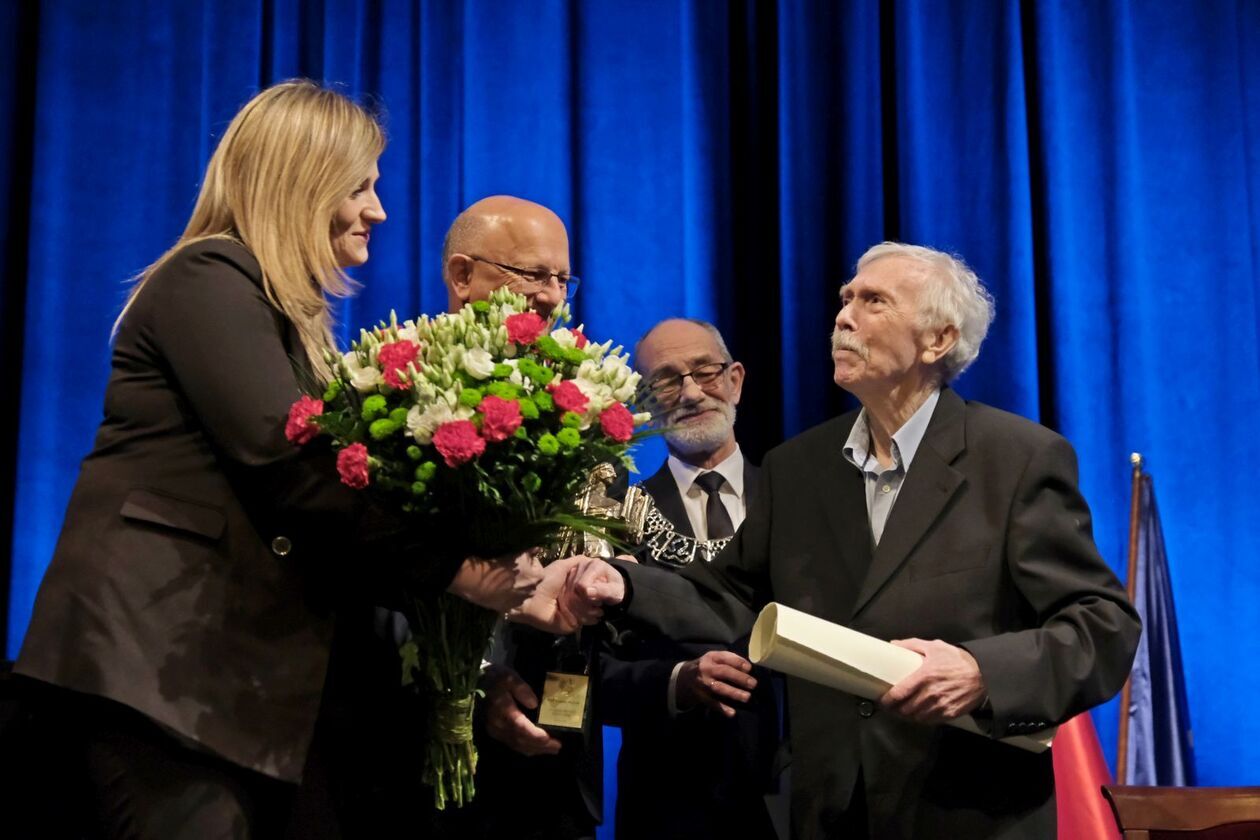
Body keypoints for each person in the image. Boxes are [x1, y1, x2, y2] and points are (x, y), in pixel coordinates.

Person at [12, 82, 565, 838]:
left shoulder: (288, 321)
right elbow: (287, 468)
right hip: (161, 670)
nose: (378, 210)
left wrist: (492, 597)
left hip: (238, 695)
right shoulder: (210, 277)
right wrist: (464, 572)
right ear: (301, 183)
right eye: (361, 187)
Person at [539, 242, 1143, 839]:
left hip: (967, 809)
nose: (844, 316)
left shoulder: (1017, 457)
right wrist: (623, 582)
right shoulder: (799, 469)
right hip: (831, 812)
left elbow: (1101, 625)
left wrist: (981, 672)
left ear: (937, 340)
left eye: (873, 301)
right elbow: (725, 597)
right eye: (845, 299)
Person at [437, 195, 602, 840]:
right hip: (409, 747)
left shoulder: (575, 404)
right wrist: (472, 684)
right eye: (533, 275)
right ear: (462, 276)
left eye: (563, 279)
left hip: (546, 761)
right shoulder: (397, 398)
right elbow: (380, 571)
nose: (552, 297)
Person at [600, 317, 783, 839]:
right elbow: (590, 675)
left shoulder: (795, 495)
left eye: (705, 372)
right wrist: (677, 682)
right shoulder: (613, 514)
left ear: (736, 381)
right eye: (666, 380)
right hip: (667, 801)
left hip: (795, 793)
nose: (691, 392)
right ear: (642, 401)